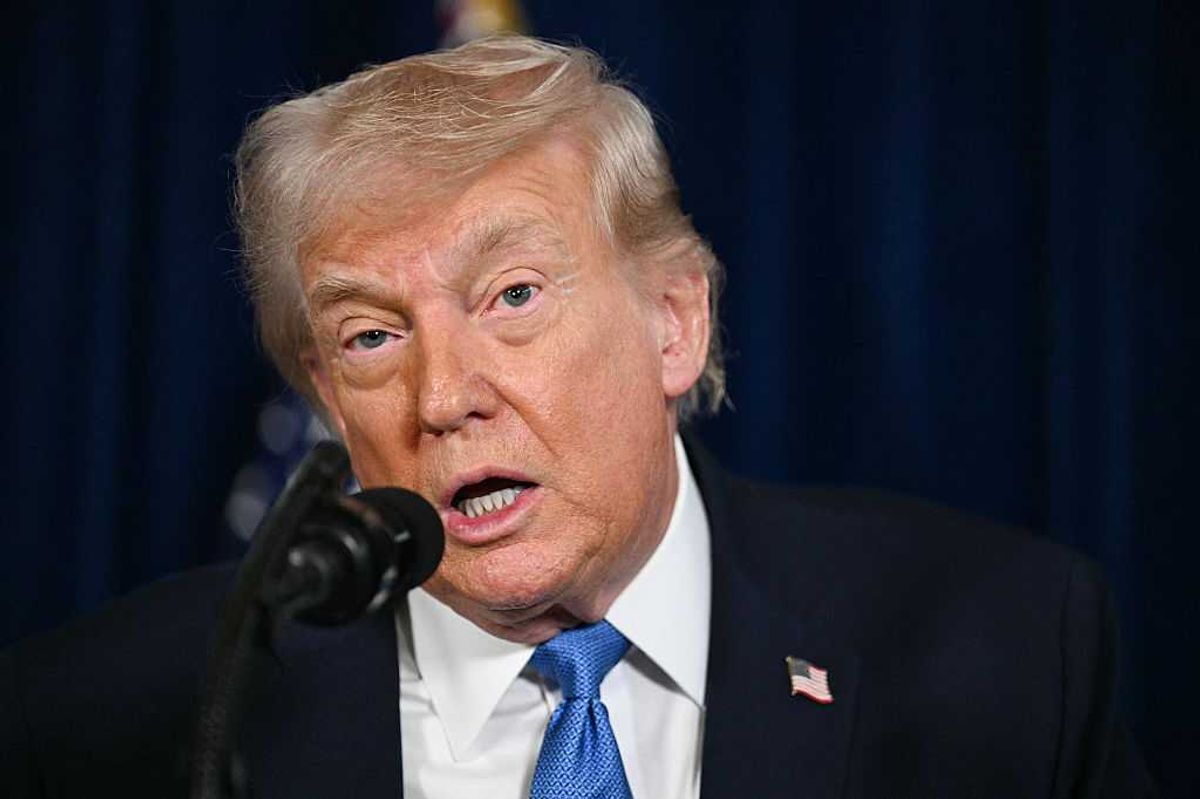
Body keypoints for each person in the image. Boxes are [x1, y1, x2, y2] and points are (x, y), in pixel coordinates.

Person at [1, 35, 1154, 798]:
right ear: (322, 395)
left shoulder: (1005, 657)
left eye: (512, 296)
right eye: (371, 336)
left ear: (674, 323)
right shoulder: (115, 718)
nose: (445, 397)